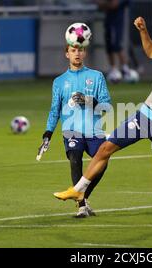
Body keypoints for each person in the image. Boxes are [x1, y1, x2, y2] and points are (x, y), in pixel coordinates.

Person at [53, 17, 152, 231]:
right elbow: (151, 52)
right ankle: (79, 189)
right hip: (145, 117)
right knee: (106, 148)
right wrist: (143, 30)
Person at [38, 43, 112, 218]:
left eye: (80, 50)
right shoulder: (59, 82)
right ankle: (81, 206)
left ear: (85, 52)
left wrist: (88, 100)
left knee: (102, 163)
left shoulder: (97, 76)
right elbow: (54, 110)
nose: (77, 53)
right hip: (71, 130)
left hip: (94, 130)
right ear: (67, 54)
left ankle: (83, 196)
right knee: (74, 158)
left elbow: (106, 105)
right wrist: (48, 132)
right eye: (73, 50)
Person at [94, 0, 136, 83]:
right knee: (109, 46)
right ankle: (113, 69)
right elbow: (99, 4)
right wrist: (106, 4)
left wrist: (104, 4)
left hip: (117, 22)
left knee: (116, 45)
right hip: (108, 22)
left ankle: (125, 70)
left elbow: (113, 4)